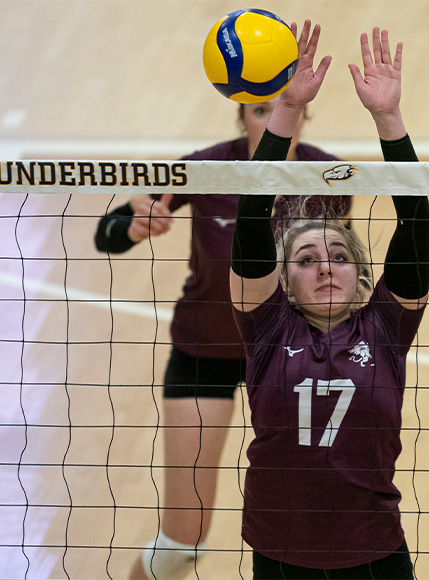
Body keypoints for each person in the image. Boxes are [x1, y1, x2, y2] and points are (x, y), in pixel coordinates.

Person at [93, 64, 346, 580]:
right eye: (262, 111)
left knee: (316, 527)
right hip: (204, 353)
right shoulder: (206, 167)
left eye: (287, 111)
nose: (277, 123)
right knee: (181, 546)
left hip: (286, 362)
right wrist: (136, 224)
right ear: (242, 117)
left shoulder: (329, 178)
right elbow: (109, 232)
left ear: (304, 117)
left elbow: (329, 285)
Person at [230, 22, 429, 579]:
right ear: (282, 281)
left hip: (374, 554)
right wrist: (288, 109)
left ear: (362, 274)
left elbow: (415, 216)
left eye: (339, 257)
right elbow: (252, 217)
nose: (324, 267)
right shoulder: (267, 327)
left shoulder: (386, 326)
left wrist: (388, 117)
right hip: (280, 552)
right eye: (306, 260)